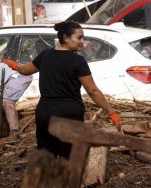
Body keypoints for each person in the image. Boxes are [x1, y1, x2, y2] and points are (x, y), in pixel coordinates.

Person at [1, 21, 121, 159]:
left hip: (46, 113)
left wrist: (12, 64)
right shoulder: (78, 61)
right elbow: (92, 90)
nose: (82, 41)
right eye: (79, 37)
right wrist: (110, 111)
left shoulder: (45, 55)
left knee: (46, 156)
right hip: (70, 114)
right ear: (66, 38)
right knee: (68, 156)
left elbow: (24, 70)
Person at [0, 63, 33, 136]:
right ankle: (5, 131)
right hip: (16, 77)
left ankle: (14, 131)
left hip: (20, 77)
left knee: (7, 102)